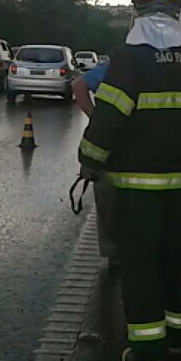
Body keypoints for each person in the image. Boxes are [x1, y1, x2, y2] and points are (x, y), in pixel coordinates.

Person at [78, 0, 181, 361]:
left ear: (139, 8)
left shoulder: (130, 58)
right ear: (177, 10)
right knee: (175, 263)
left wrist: (89, 159)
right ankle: (176, 340)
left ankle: (148, 351)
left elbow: (109, 117)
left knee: (140, 267)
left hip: (138, 191)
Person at [71, 60, 118, 264]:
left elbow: (78, 85)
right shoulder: (118, 65)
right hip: (117, 146)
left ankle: (114, 253)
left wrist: (94, 117)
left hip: (107, 144)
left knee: (108, 197)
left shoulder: (117, 63)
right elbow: (78, 84)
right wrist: (95, 118)